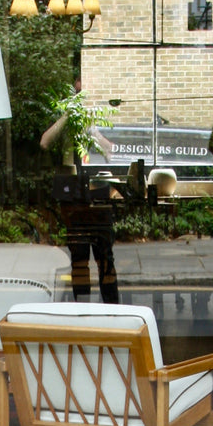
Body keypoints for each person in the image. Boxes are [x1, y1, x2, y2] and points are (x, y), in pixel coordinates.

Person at [41, 80, 120, 304]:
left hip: (95, 196)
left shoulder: (92, 123)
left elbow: (109, 151)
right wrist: (68, 117)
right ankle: (82, 308)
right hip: (75, 198)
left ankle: (112, 307)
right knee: (80, 259)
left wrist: (90, 128)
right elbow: (45, 142)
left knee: (105, 257)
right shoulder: (64, 123)